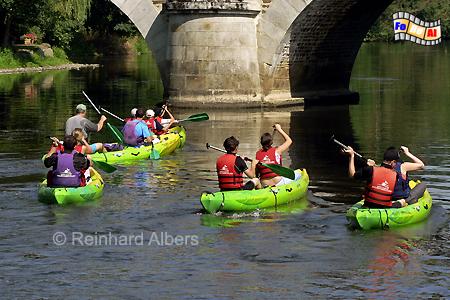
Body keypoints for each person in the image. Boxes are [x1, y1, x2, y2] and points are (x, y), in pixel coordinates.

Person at [345, 146, 426, 208]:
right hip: (393, 201)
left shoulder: (372, 169)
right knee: (423, 185)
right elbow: (421, 165)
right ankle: (406, 201)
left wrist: (351, 156)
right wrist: (407, 153)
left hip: (375, 202)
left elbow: (352, 175)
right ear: (394, 161)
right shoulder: (401, 169)